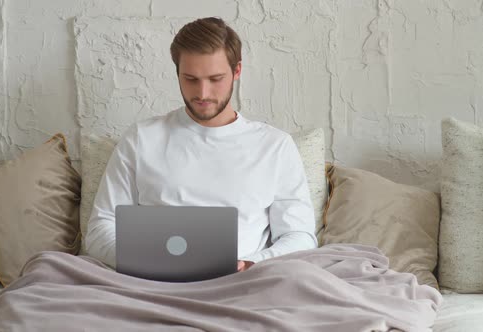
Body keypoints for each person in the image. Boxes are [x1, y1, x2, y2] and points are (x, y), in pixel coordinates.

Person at [86, 17, 317, 273]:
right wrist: (146, 259)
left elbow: (300, 236)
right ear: (177, 73)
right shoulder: (142, 138)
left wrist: (250, 264)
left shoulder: (274, 146)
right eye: (191, 79)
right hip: (152, 279)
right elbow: (100, 229)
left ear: (237, 71)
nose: (203, 93)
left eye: (215, 78)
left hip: (243, 282)